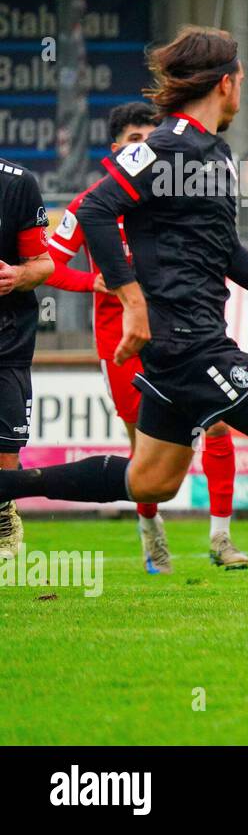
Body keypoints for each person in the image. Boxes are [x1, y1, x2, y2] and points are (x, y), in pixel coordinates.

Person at [0, 25, 248, 608]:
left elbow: (229, 253)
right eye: (242, 78)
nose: (243, 90)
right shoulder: (162, 146)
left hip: (183, 345)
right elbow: (99, 210)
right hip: (191, 346)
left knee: (150, 480)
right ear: (225, 82)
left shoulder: (216, 154)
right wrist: (133, 301)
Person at [44, 101, 248, 573]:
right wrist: (90, 281)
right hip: (122, 344)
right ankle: (152, 534)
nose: (148, 151)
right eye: (137, 142)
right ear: (115, 151)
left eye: (152, 142)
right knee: (144, 454)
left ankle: (221, 536)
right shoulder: (90, 204)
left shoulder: (173, 198)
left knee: (219, 421)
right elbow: (48, 264)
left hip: (183, 333)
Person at [0, 159, 54, 558]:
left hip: (7, 336)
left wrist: (17, 277)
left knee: (5, 450)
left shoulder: (17, 184)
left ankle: (2, 516)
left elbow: (44, 264)